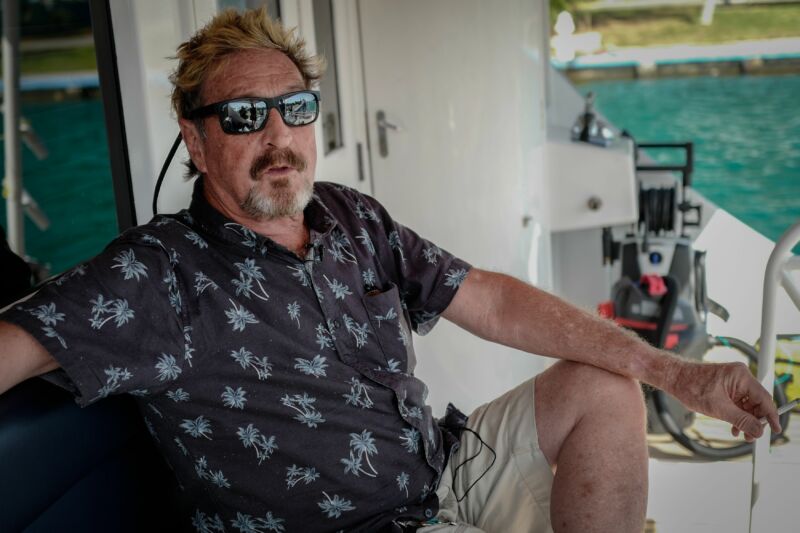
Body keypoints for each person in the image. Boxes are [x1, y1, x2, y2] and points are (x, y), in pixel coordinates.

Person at [0, 8, 780, 533]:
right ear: (196, 142)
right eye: (242, 117)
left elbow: (493, 301)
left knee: (604, 388)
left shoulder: (347, 214)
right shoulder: (155, 272)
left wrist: (675, 373)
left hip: (439, 470)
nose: (277, 137)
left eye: (295, 108)